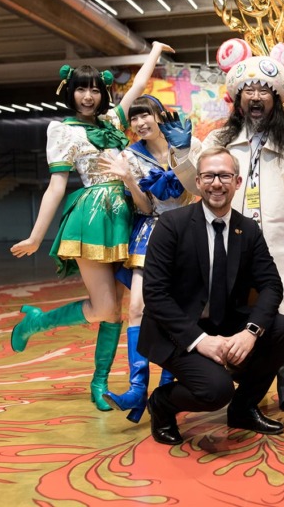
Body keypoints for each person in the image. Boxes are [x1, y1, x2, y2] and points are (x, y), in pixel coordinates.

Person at [171, 40, 284, 426]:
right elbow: (196, 184)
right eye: (249, 89)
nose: (256, 96)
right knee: (230, 315)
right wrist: (184, 154)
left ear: (277, 97)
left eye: (265, 90)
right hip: (225, 246)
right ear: (237, 96)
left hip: (275, 249)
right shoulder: (218, 141)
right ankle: (237, 388)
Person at [9, 42, 172, 412]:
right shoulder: (62, 131)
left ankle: (100, 383)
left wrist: (155, 51)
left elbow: (137, 88)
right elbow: (55, 187)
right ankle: (36, 323)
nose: (88, 96)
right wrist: (36, 235)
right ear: (70, 92)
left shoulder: (114, 120)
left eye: (95, 89)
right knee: (104, 308)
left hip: (128, 216)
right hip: (94, 217)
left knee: (118, 306)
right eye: (81, 89)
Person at [138, 148, 284, 445]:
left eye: (224, 176)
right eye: (209, 176)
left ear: (237, 182)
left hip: (224, 322)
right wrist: (200, 341)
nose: (216, 183)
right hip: (177, 331)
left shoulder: (247, 229)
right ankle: (162, 403)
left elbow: (272, 285)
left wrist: (250, 333)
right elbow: (155, 294)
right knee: (215, 390)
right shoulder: (172, 225)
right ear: (198, 182)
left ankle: (243, 408)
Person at [98, 95, 200, 423]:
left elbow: (195, 190)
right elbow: (144, 207)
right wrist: (128, 178)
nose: (141, 123)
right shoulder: (130, 156)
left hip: (186, 232)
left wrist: (184, 154)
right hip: (151, 231)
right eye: (135, 118)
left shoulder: (186, 143)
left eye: (146, 115)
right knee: (137, 307)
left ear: (159, 115)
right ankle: (136, 388)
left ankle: (167, 386)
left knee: (180, 311)